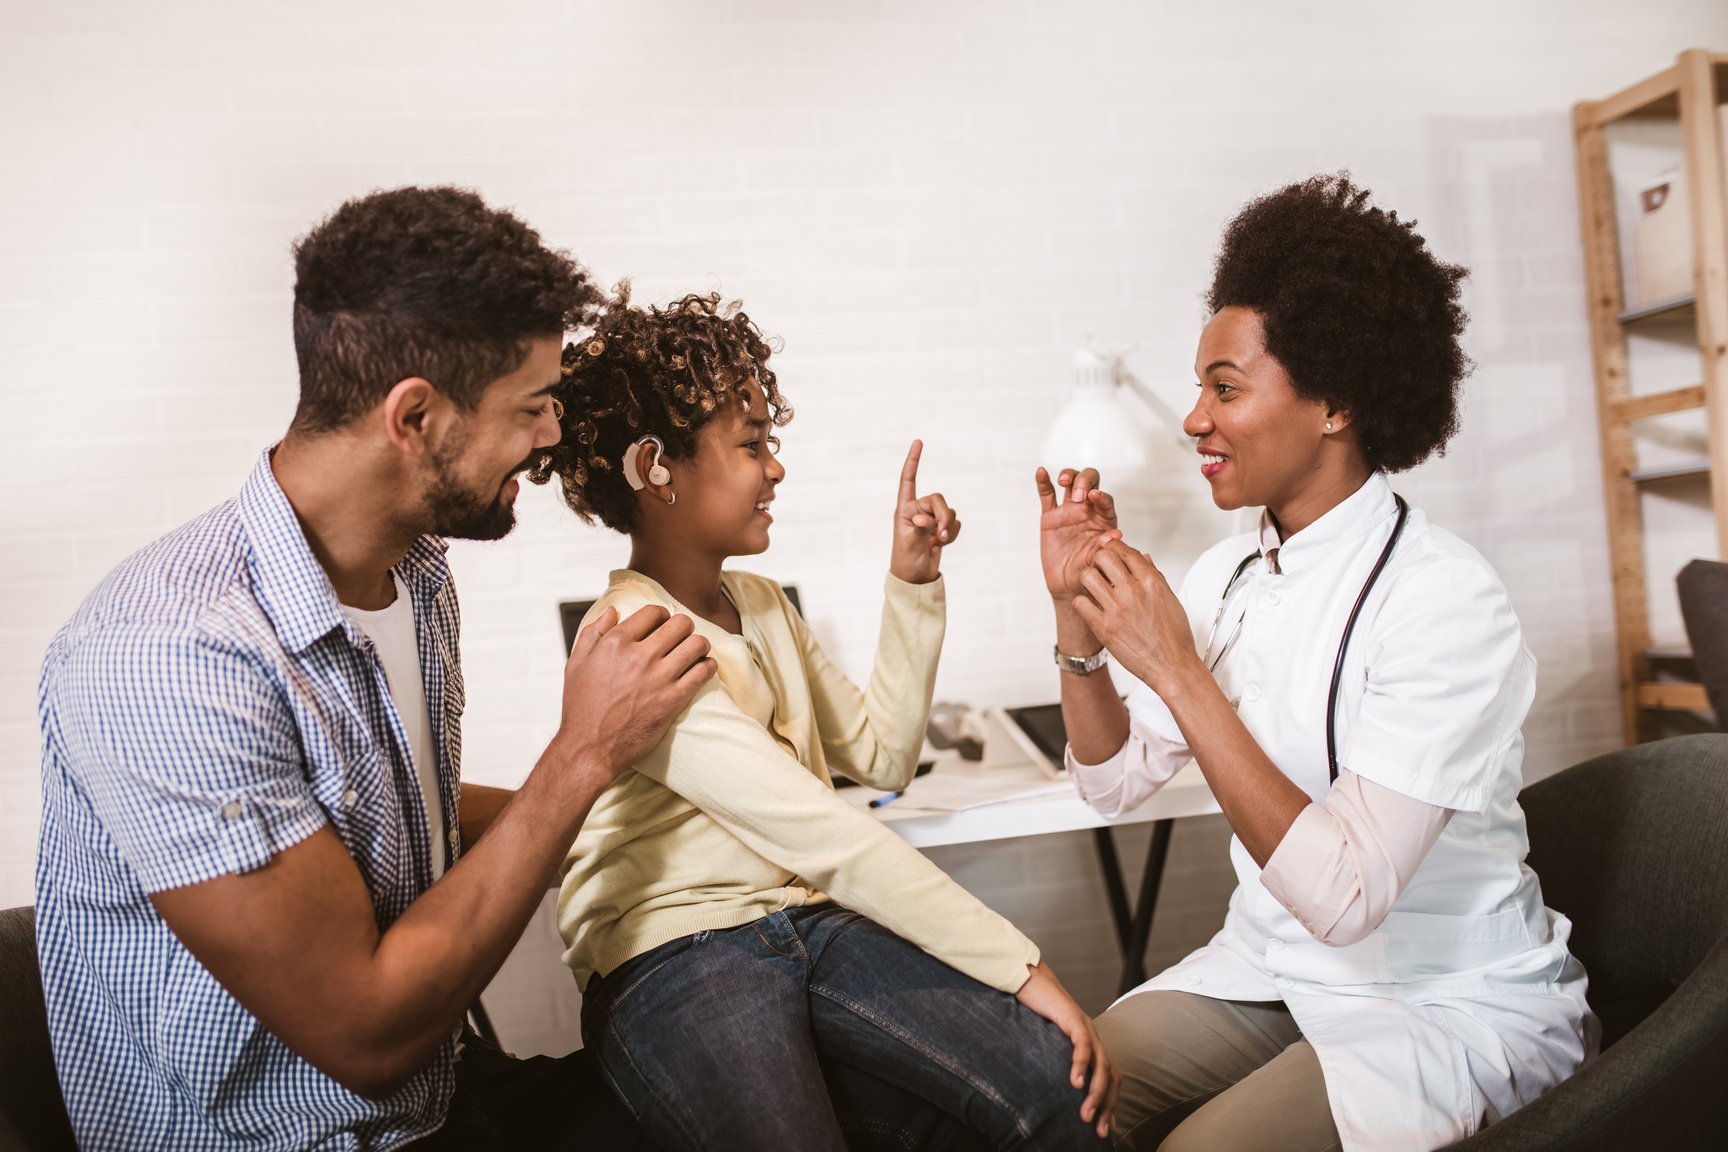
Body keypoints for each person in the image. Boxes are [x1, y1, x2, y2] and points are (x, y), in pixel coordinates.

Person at [34, 186, 720, 1150]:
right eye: (530, 407)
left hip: (439, 1098)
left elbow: (412, 824)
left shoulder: (411, 572)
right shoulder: (169, 659)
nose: (553, 435)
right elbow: (367, 1032)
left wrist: (693, 804)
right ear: (416, 418)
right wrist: (583, 755)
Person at [1035, 174, 1596, 1152]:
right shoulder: (1229, 575)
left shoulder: (1445, 600)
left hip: (1437, 998)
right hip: (1270, 972)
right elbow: (1110, 784)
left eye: (1224, 389)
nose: (1192, 420)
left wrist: (1179, 672)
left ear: (1334, 400)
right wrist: (1074, 617)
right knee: (1043, 1098)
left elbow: (1346, 899)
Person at [531, 287, 1118, 1151]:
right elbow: (827, 837)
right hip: (677, 956)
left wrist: (912, 582)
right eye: (752, 444)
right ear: (655, 468)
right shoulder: (635, 640)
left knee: (1053, 1092)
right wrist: (1021, 968)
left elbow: (879, 758)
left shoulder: (762, 605)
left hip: (809, 921)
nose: (776, 468)